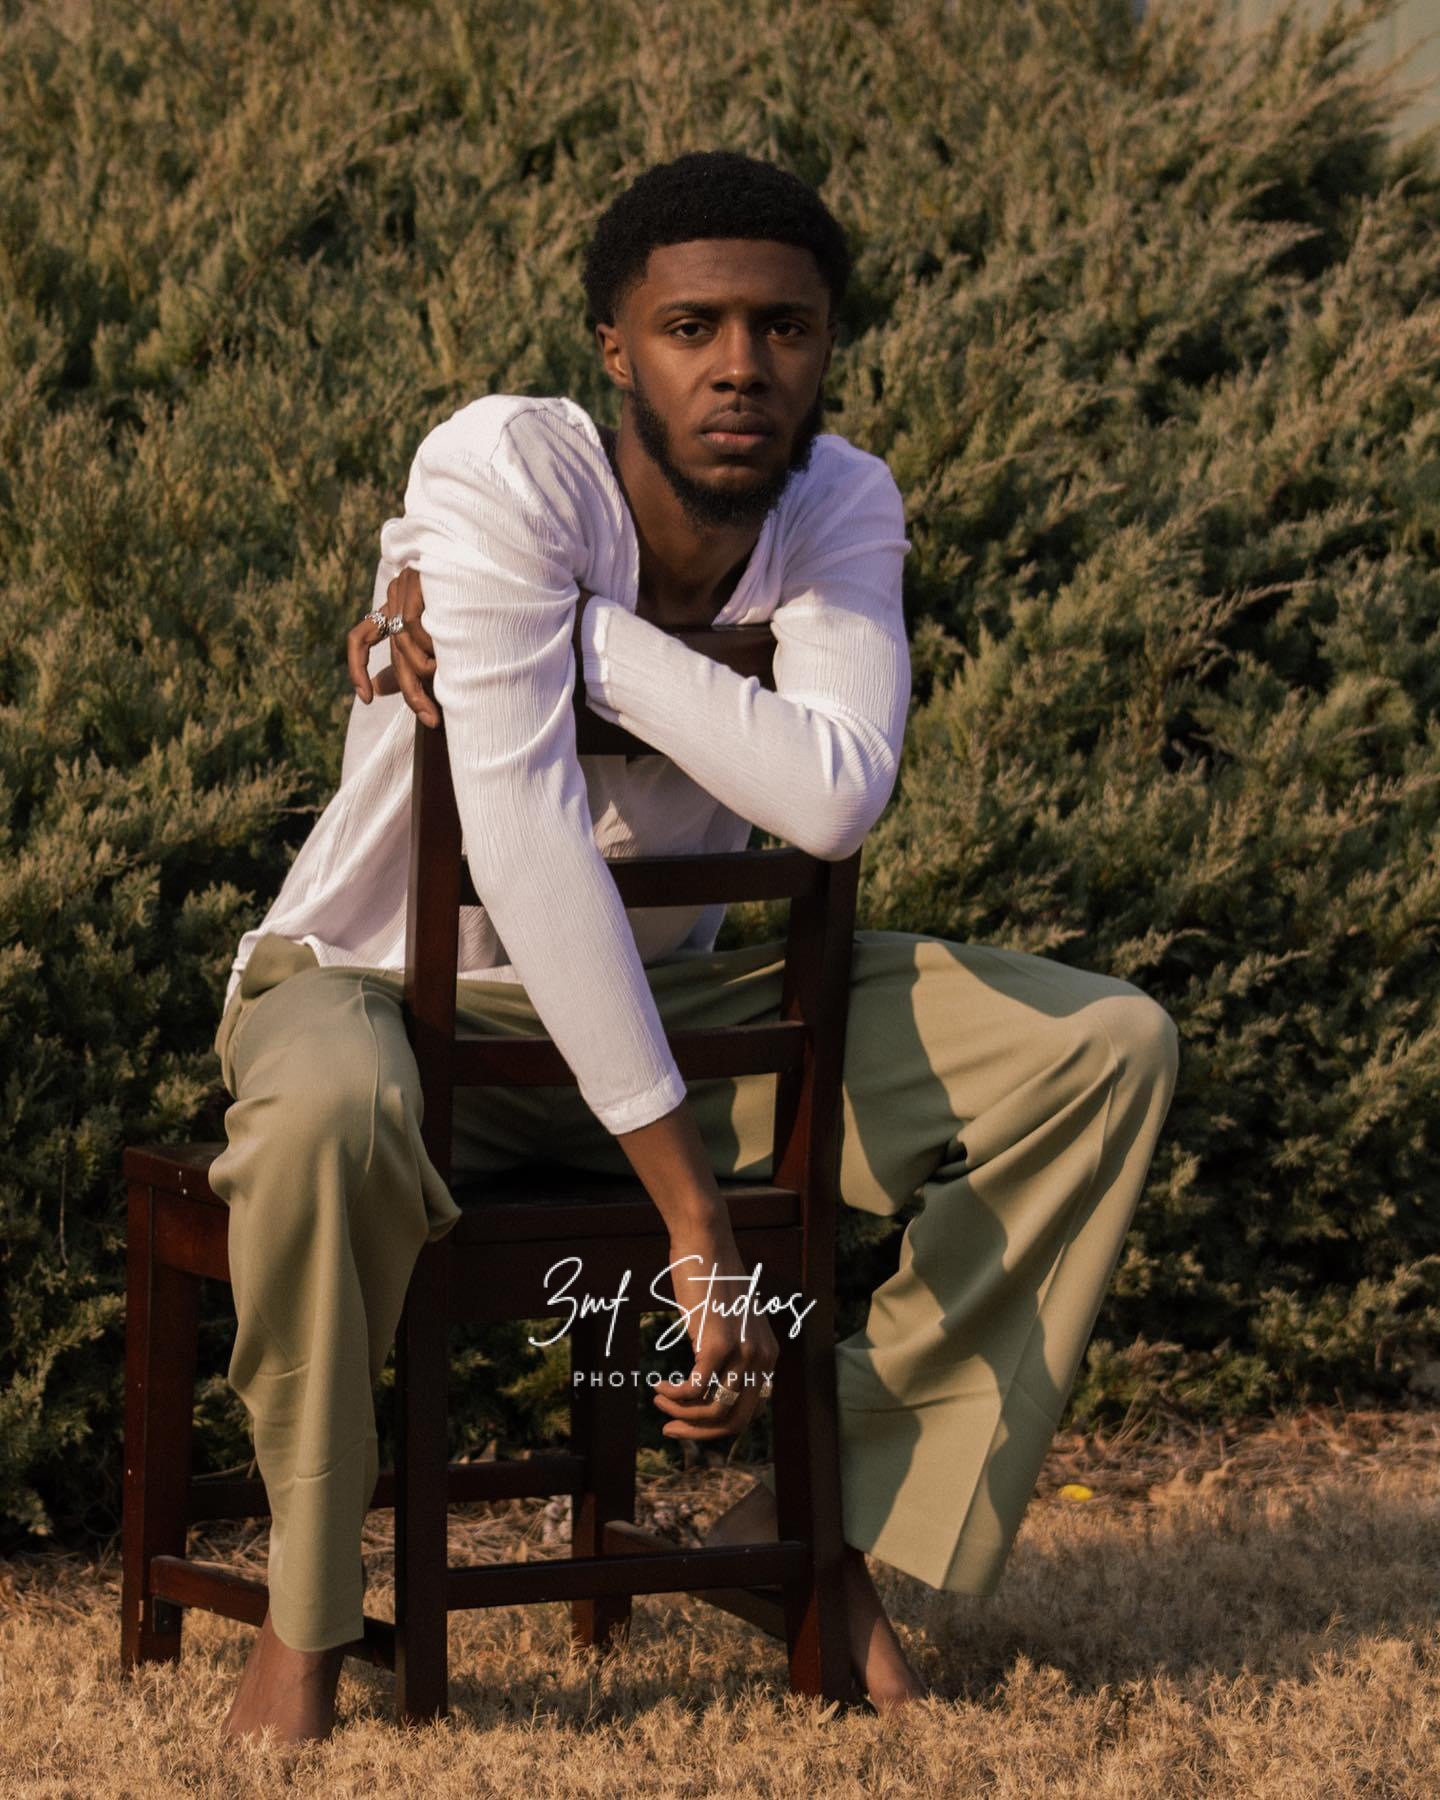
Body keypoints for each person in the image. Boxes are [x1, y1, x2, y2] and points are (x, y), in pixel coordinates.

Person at [211, 150, 1180, 1743]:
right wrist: (691, 1218)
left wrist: (583, 634)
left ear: (827, 345)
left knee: (1105, 1048)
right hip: (379, 993)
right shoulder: (507, 468)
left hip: (678, 1014)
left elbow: (834, 790)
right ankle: (309, 1625)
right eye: (693, 325)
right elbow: (525, 849)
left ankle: (808, 1526)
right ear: (615, 344)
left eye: (784, 328)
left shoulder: (843, 499)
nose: (742, 365)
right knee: (320, 1124)